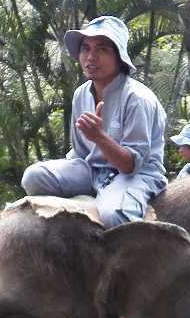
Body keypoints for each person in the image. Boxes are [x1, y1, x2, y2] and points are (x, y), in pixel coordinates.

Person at [21, 15, 166, 227]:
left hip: (135, 173)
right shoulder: (81, 94)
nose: (91, 57)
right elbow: (80, 154)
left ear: (119, 57)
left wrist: (99, 137)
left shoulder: (137, 98)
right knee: (33, 177)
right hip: (92, 171)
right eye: (85, 48)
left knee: (114, 215)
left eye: (102, 49)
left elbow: (130, 165)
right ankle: (99, 192)